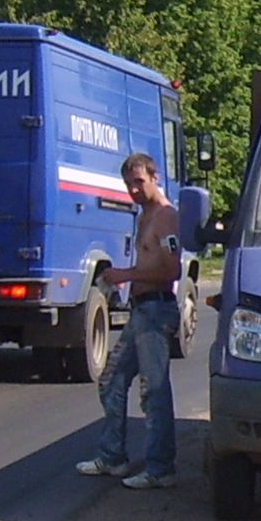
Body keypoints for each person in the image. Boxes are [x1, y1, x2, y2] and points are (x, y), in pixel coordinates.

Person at [76, 153, 186, 489]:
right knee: (111, 380)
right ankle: (113, 456)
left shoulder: (166, 216)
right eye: (128, 184)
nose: (133, 190)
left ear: (154, 177)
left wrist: (126, 273)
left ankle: (160, 468)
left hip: (156, 309)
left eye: (139, 181)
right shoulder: (145, 215)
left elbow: (172, 270)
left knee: (153, 391)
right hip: (141, 310)